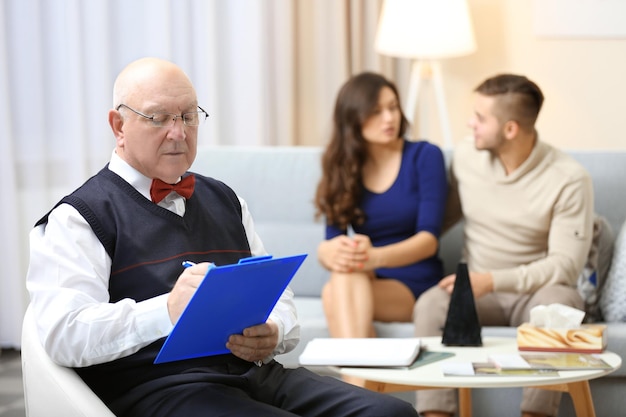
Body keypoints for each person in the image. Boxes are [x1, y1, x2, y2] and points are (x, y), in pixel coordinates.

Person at [26, 57, 419, 417]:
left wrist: (274, 332)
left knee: (392, 414)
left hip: (256, 375)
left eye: (188, 116)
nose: (178, 133)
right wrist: (166, 311)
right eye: (159, 118)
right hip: (162, 390)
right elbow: (64, 333)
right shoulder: (79, 217)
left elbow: (279, 299)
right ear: (118, 126)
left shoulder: (227, 200)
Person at [413, 74, 594, 417]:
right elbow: (434, 221)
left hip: (536, 293)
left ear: (510, 129)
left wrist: (492, 280)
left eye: (480, 118)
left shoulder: (569, 178)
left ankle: (535, 414)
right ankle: (436, 414)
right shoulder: (466, 158)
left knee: (562, 302)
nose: (470, 124)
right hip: (479, 295)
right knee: (431, 304)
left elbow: (565, 266)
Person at [315, 72, 447, 342]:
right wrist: (325, 252)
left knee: (334, 293)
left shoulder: (424, 156)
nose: (389, 118)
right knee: (340, 280)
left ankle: (353, 384)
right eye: (376, 111)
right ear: (353, 118)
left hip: (416, 282)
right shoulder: (342, 167)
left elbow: (428, 241)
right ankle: (360, 384)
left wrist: (372, 257)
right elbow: (334, 242)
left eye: (393, 107)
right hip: (366, 275)